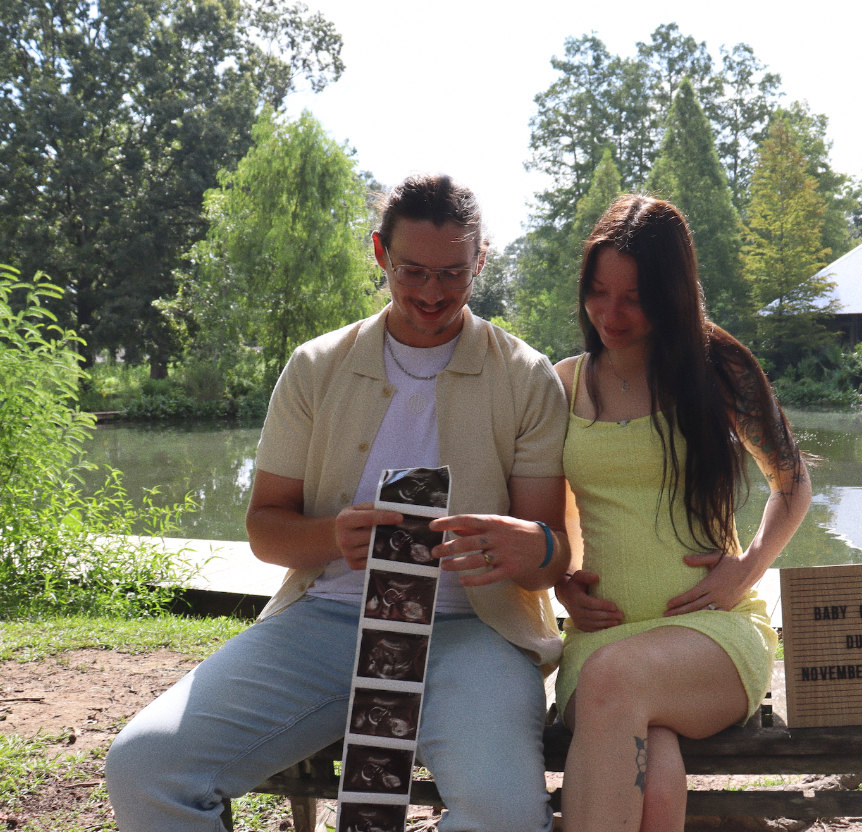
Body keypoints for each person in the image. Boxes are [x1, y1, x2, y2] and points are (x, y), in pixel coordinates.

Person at [105, 173, 571, 832]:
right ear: (380, 255)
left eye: (454, 274)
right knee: (145, 767)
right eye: (413, 271)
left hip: (475, 635)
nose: (433, 293)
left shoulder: (526, 376)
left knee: (506, 815)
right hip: (329, 621)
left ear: (481, 261)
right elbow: (266, 531)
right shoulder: (315, 366)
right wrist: (334, 538)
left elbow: (552, 557)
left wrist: (535, 547)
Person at [553, 194, 811, 832]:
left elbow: (792, 485)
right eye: (598, 290)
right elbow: (551, 527)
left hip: (713, 641)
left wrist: (746, 570)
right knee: (658, 795)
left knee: (621, 682)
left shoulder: (716, 369)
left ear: (672, 293)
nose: (610, 313)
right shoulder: (560, 385)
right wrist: (562, 584)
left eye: (634, 296)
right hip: (600, 643)